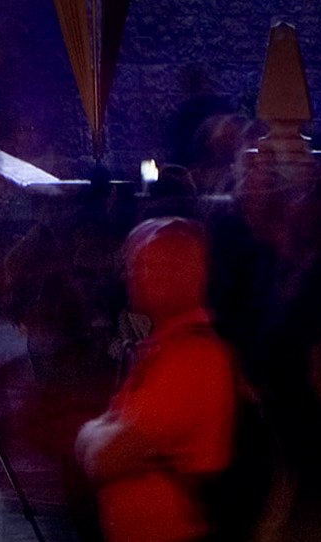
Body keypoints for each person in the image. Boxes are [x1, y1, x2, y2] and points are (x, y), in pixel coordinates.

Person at [75, 217, 236, 542]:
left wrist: (91, 431)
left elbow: (102, 459)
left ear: (183, 274)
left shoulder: (191, 360)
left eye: (145, 265)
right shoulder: (168, 348)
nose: (131, 276)